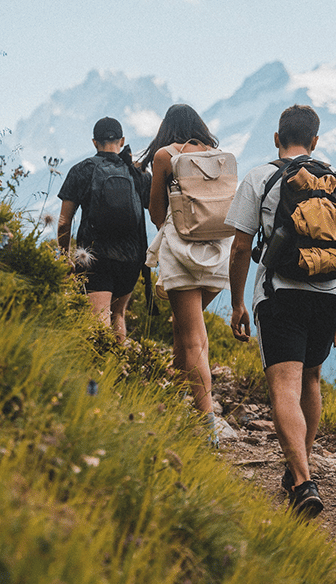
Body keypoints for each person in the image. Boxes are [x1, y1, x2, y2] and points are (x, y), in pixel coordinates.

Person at [225, 104, 336, 517]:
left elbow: (240, 247)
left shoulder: (260, 176)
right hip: (328, 293)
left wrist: (237, 302)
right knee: (311, 378)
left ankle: (304, 479)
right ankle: (298, 471)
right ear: (315, 141)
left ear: (277, 138)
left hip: (281, 293)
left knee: (283, 386)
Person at [140, 104, 231, 440]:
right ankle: (180, 393)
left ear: (167, 127)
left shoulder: (165, 155)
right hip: (218, 252)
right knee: (186, 326)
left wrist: (171, 220)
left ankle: (207, 423)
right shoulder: (217, 156)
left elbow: (156, 210)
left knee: (191, 337)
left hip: (182, 252)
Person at [58, 116, 150, 341]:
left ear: (94, 142)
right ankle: (119, 371)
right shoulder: (138, 174)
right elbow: (156, 212)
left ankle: (98, 372)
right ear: (122, 140)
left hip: (94, 256)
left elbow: (63, 221)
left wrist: (63, 255)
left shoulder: (82, 170)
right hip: (131, 257)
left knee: (98, 320)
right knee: (118, 315)